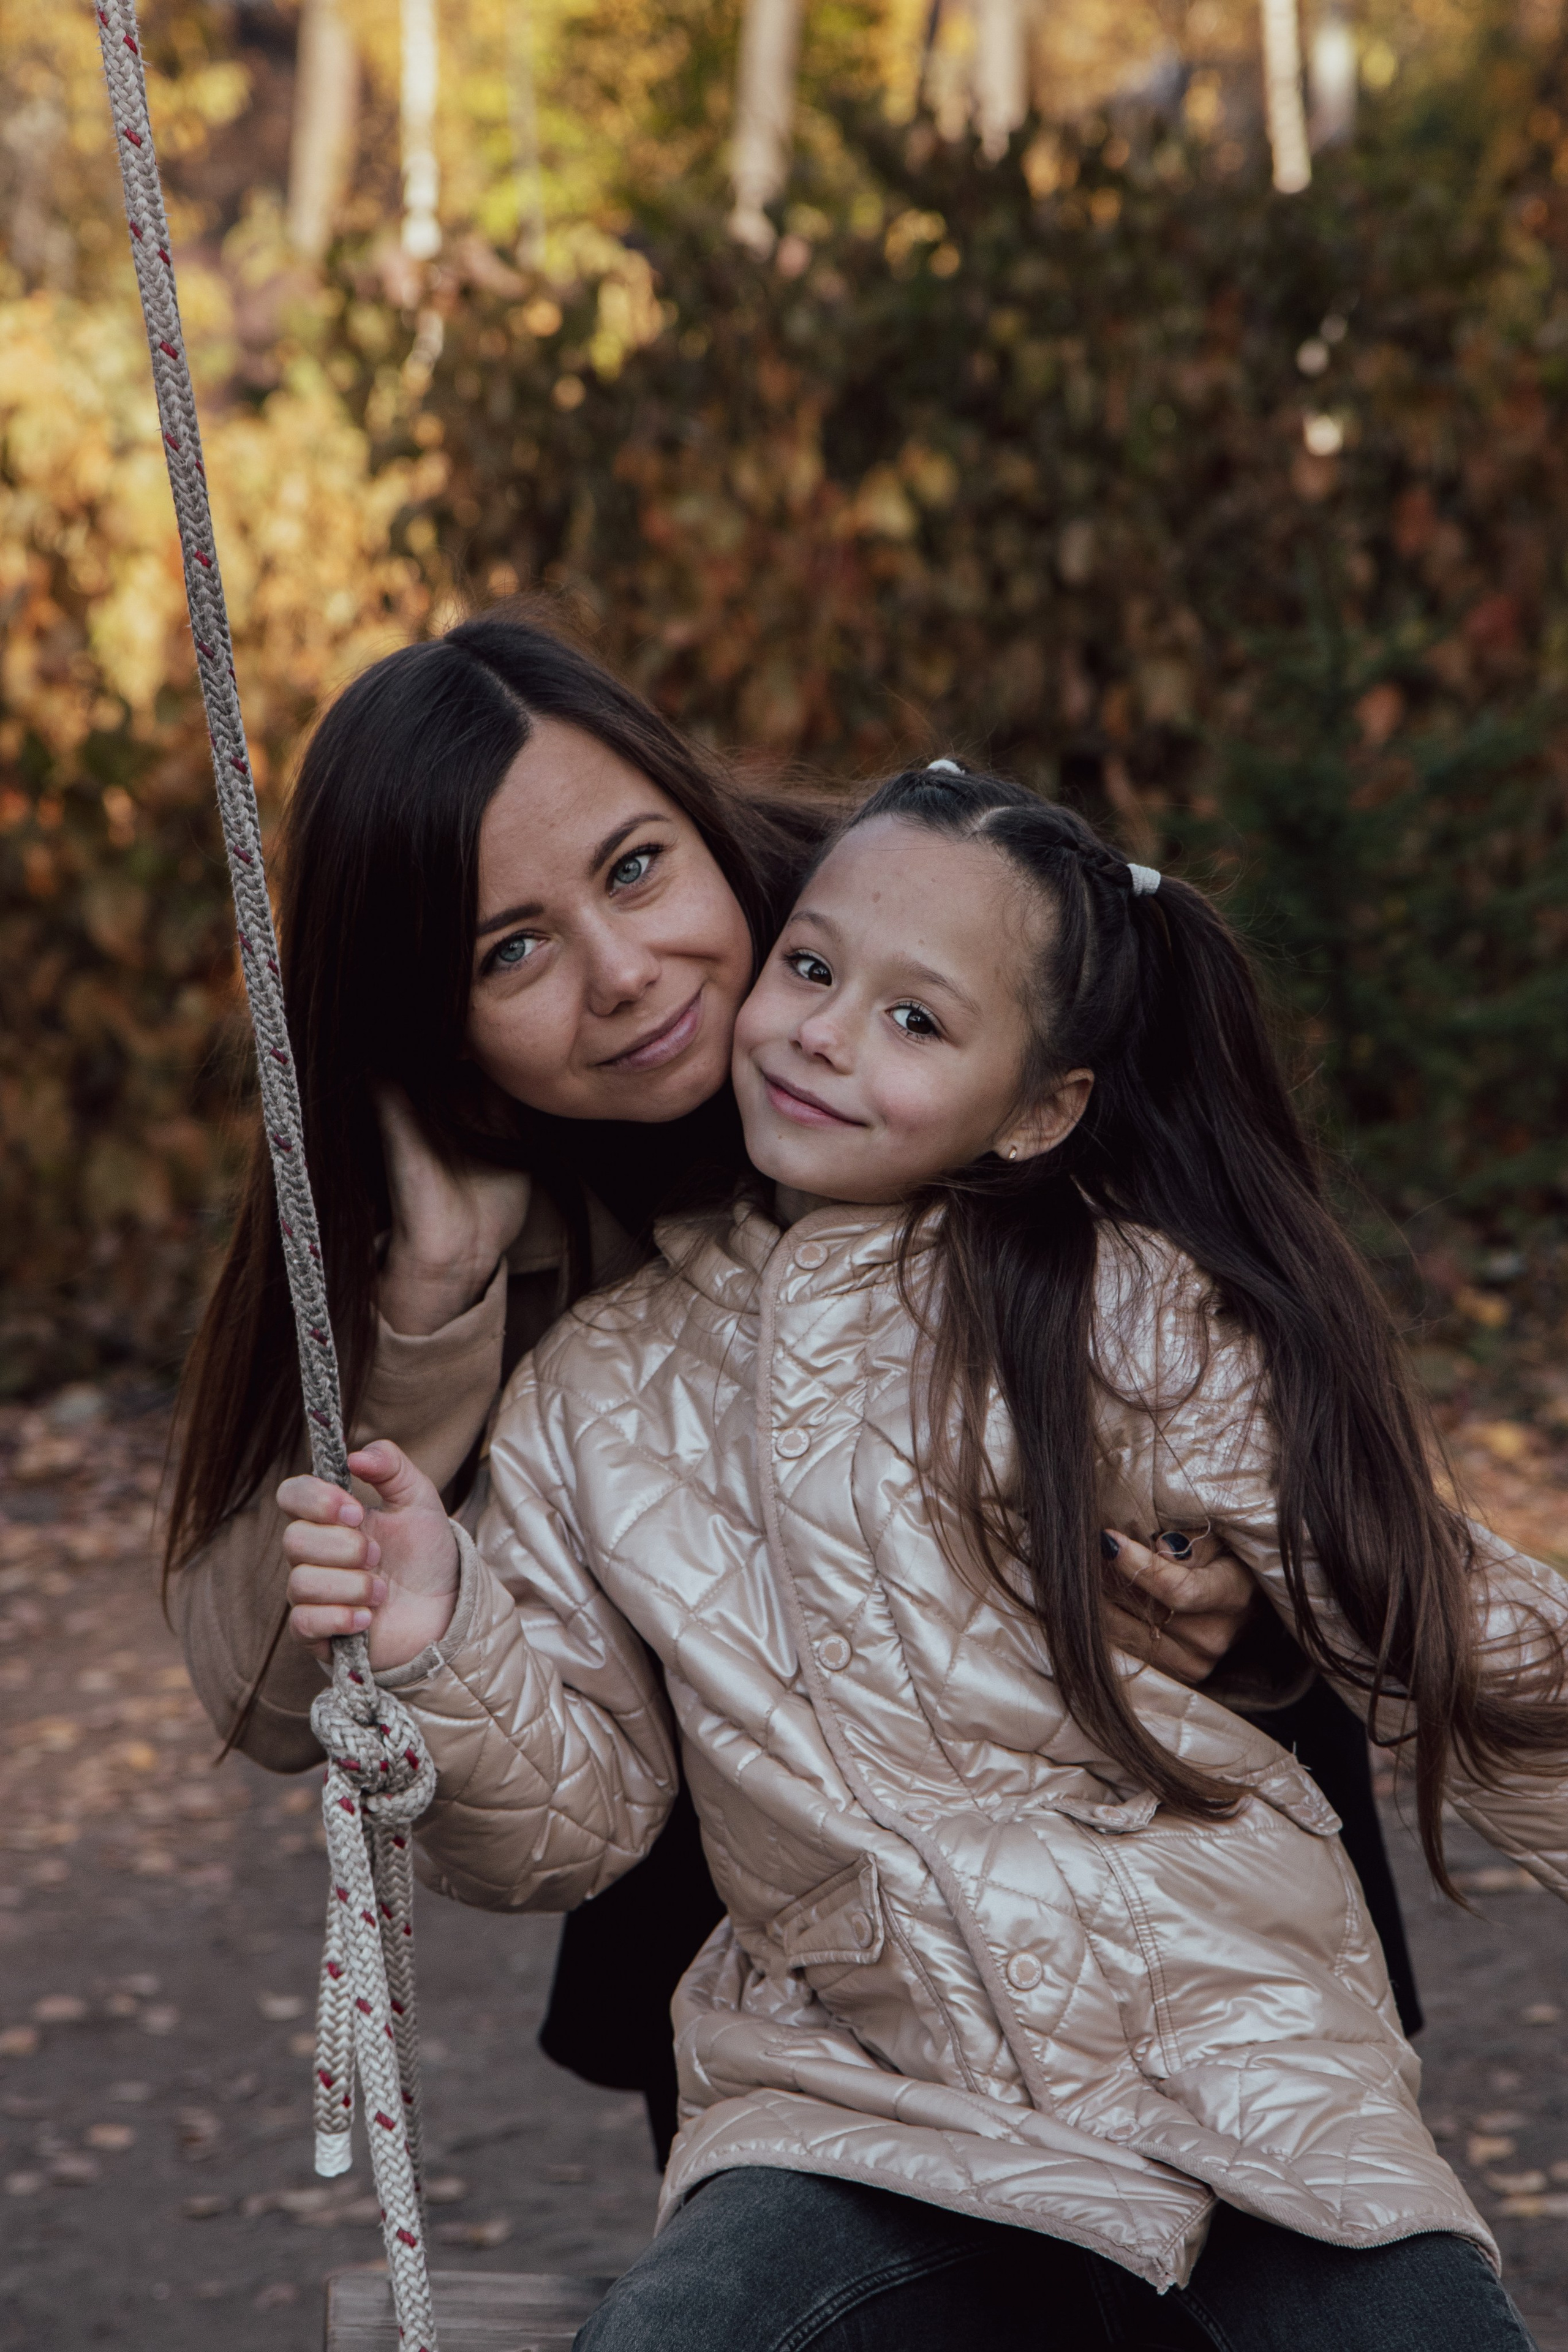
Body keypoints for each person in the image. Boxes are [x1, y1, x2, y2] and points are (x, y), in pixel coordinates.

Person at [277, 767, 1566, 2349]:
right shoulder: (594, 1399)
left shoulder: (1127, 1307)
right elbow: (572, 1820)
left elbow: (1428, 1613)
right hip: (845, 2095)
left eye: (916, 1022)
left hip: (1233, 2055)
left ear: (1040, 1107)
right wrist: (437, 1632)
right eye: (811, 971)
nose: (823, 1031)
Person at [168, 617, 1415, 2160]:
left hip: (1153, 1787)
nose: (623, 975)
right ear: (432, 1021)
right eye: (511, 949)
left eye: (635, 869)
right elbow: (269, 1698)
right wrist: (424, 1312)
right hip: (766, 1845)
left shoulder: (924, 939)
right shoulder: (430, 1220)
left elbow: (1256, 1316)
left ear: (697, 821)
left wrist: (1222, 1574)